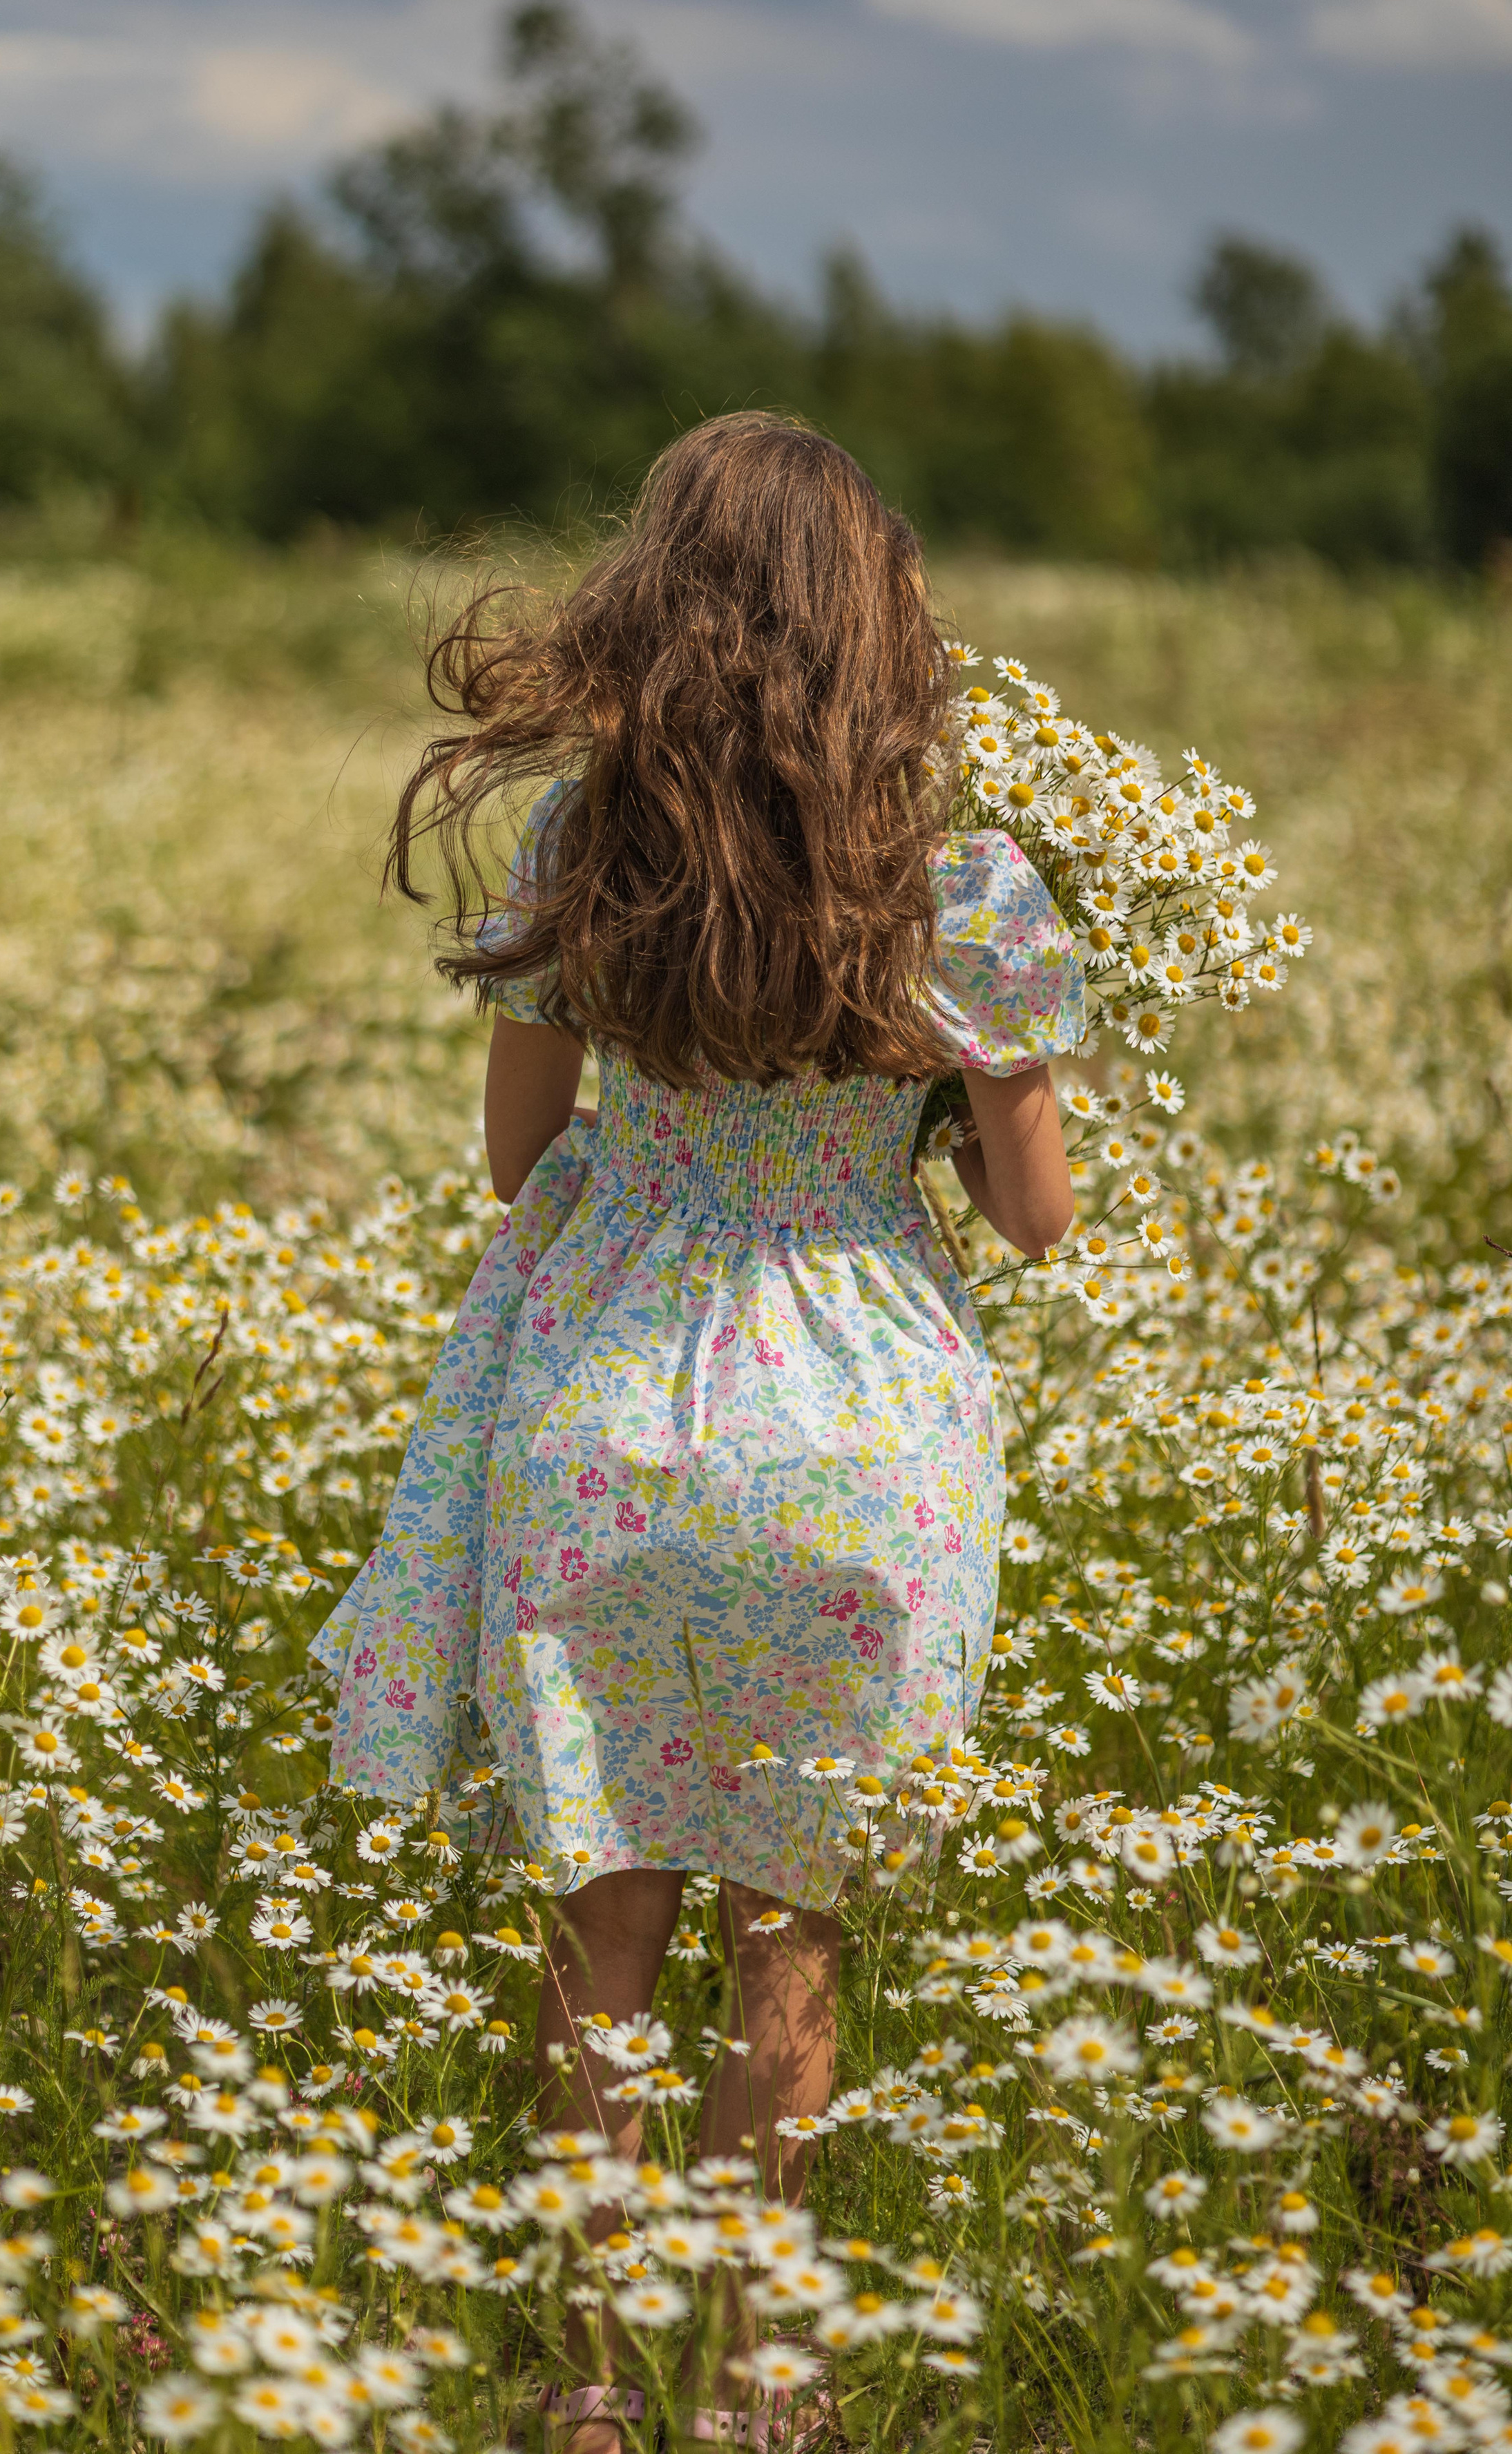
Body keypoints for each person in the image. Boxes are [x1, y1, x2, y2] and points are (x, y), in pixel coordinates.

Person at [312, 413, 1083, 2452]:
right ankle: (756, 2380)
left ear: (656, 606)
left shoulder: (587, 847)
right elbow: (1034, 1217)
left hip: (610, 1416)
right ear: (878, 627)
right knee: (790, 1929)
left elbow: (514, 1162)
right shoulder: (972, 888)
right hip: (860, 1441)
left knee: (607, 1923)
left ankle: (588, 2381)